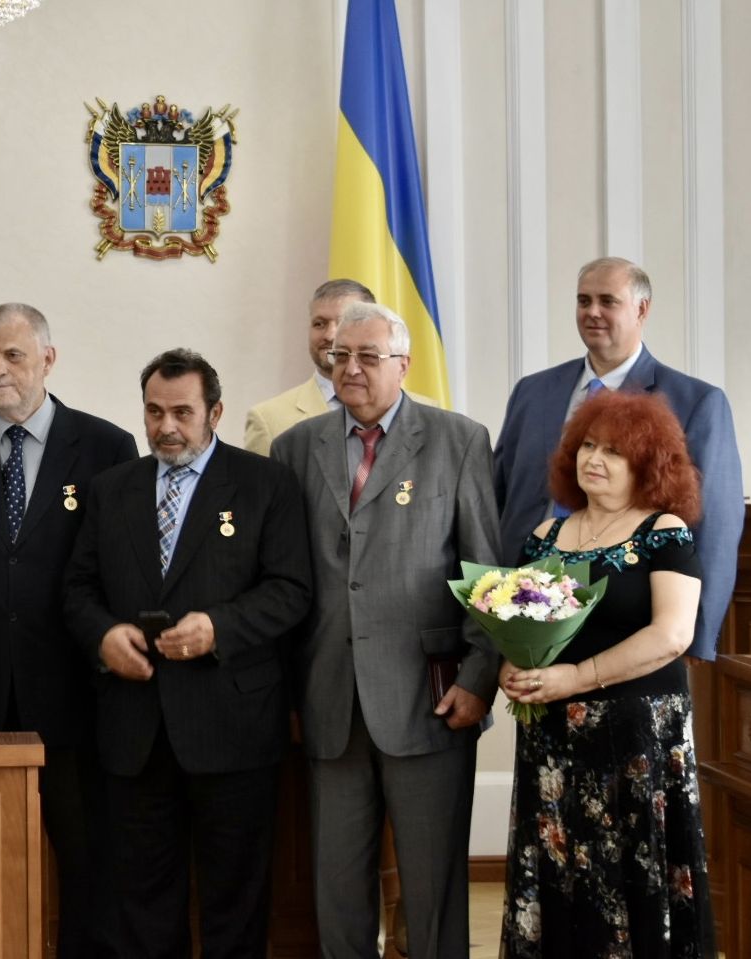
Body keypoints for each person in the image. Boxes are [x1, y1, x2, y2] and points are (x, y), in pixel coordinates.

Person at [63, 348, 312, 959]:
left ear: (215, 412)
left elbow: (292, 590)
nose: (165, 427)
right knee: (142, 897)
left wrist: (219, 628)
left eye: (181, 412)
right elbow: (77, 589)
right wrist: (103, 637)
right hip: (134, 727)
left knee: (235, 896)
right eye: (153, 411)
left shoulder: (265, 484)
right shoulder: (111, 489)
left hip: (232, 727)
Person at [271, 303, 501, 957]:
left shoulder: (459, 439)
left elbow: (487, 571)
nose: (350, 368)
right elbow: (286, 582)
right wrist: (288, 694)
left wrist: (480, 679)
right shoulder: (296, 447)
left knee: (433, 891)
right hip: (329, 700)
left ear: (404, 364)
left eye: (368, 357)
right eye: (341, 355)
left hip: (432, 699)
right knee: (337, 889)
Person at [0, 303, 137, 958]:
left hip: (73, 689)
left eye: (13, 354)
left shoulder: (106, 446)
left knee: (84, 854)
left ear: (49, 358)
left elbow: (115, 570)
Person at [499, 390, 715, 956]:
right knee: (562, 875)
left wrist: (576, 677)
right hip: (554, 741)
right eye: (588, 445)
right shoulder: (545, 535)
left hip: (635, 743)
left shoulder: (663, 532)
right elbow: (517, 622)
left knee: (630, 880)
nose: (594, 458)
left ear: (647, 464)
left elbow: (672, 635)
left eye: (614, 452)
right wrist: (513, 667)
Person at [494, 256, 742, 661]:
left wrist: (695, 637)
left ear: (641, 309)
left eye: (608, 301)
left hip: (635, 630)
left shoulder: (696, 402)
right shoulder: (532, 392)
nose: (592, 312)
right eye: (583, 300)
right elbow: (497, 499)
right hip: (527, 619)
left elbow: (715, 528)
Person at [243, 278, 375, 455]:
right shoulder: (268, 420)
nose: (329, 335)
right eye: (319, 324)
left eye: (343, 322)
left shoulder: (420, 412)